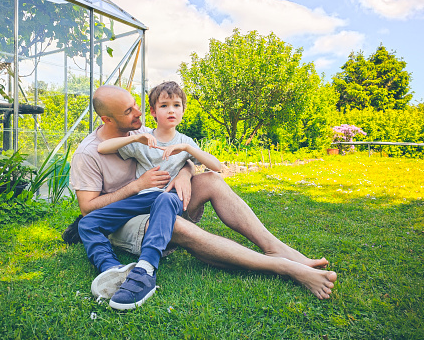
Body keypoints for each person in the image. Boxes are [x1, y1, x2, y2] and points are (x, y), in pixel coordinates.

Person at [69, 82, 337, 308]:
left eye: (136, 105)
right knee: (170, 218)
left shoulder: (138, 129)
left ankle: (275, 247)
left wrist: (186, 171)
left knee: (210, 180)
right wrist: (136, 185)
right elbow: (87, 210)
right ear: (108, 119)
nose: (138, 113)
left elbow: (182, 154)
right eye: (130, 111)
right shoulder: (90, 152)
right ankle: (283, 267)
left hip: (163, 198)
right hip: (127, 218)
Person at [79, 82, 221, 310]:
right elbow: (103, 148)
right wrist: (135, 139)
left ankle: (146, 267)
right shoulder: (144, 139)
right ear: (153, 112)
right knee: (86, 223)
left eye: (177, 105)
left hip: (169, 198)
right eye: (164, 106)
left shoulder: (186, 143)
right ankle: (111, 268)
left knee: (165, 198)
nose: (171, 110)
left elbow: (218, 167)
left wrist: (188, 152)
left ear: (184, 109)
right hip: (141, 198)